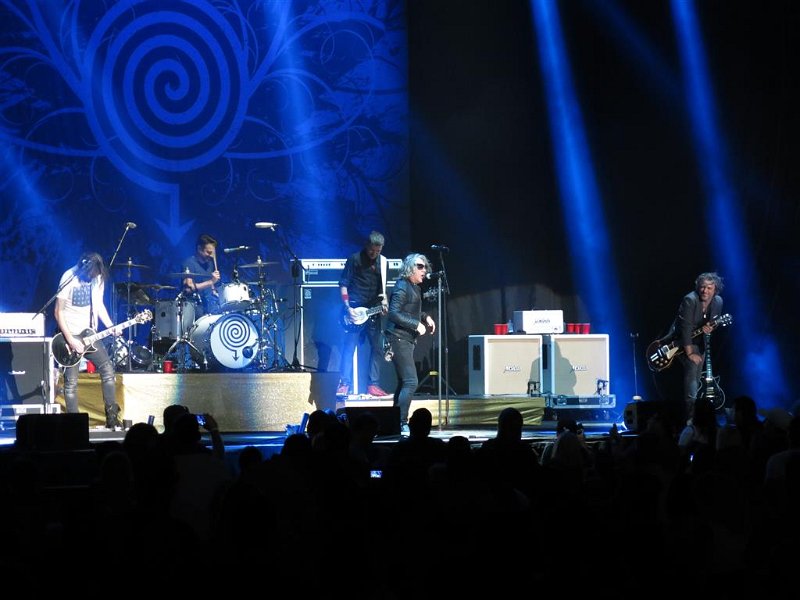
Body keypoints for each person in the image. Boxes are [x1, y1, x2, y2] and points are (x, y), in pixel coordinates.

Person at [54, 251, 122, 428]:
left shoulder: (98, 278)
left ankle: (112, 417)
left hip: (89, 335)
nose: (93, 277)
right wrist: (71, 340)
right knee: (71, 383)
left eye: (96, 275)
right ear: (84, 268)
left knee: (107, 370)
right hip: (70, 337)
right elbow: (58, 312)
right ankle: (74, 424)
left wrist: (110, 326)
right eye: (91, 274)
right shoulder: (68, 277)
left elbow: (99, 305)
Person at [384, 253, 436, 432]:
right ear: (409, 268)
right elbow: (394, 313)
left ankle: (393, 422)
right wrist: (416, 325)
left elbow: (411, 311)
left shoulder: (415, 288)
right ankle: (401, 422)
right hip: (397, 338)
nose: (424, 270)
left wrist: (425, 317)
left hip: (405, 339)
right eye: (420, 266)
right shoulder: (402, 286)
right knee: (411, 381)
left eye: (425, 267)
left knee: (404, 382)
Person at [336, 231, 390, 397]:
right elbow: (343, 284)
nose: (374, 254)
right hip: (354, 308)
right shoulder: (354, 259)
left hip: (373, 310)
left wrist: (384, 303)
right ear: (366, 245)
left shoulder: (383, 262)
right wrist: (347, 308)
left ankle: (373, 385)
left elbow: (382, 290)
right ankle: (344, 383)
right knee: (349, 348)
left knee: (377, 347)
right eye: (372, 250)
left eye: (378, 251)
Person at [673, 272, 724, 421]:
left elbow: (714, 322)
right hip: (682, 341)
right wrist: (690, 353)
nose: (705, 291)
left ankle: (698, 416)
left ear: (715, 289)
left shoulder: (718, 301)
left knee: (697, 376)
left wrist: (711, 328)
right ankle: (690, 417)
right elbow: (686, 329)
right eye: (702, 287)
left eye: (709, 288)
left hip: (700, 342)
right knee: (693, 370)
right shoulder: (690, 300)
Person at [182, 233, 221, 318]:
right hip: (195, 307)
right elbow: (188, 288)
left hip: (209, 307)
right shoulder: (189, 263)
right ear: (199, 249)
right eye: (208, 252)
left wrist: (214, 290)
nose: (211, 256)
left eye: (212, 253)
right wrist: (211, 281)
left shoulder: (210, 264)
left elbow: (210, 285)